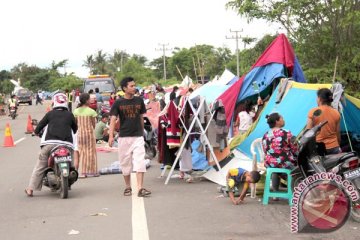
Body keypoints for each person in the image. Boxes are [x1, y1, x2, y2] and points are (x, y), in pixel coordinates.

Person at [25, 93, 77, 197]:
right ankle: (68, 183)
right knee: (71, 165)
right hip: (66, 145)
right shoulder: (70, 115)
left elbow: (40, 126)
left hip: (49, 144)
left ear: (54, 102)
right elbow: (75, 129)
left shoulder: (50, 114)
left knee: (40, 166)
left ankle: (30, 189)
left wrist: (35, 132)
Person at [108, 77, 151, 197]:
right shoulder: (118, 103)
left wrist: (142, 132)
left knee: (140, 162)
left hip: (138, 136)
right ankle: (128, 187)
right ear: (124, 88)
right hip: (124, 137)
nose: (134, 88)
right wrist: (111, 136)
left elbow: (141, 118)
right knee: (125, 163)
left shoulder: (139, 101)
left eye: (134, 85)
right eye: (131, 86)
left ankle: (140, 188)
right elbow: (112, 120)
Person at [262, 113, 298, 194]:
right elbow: (295, 149)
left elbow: (265, 150)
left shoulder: (266, 135)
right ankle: (295, 192)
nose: (284, 120)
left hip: (270, 163)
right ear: (277, 121)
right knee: (298, 167)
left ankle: (275, 193)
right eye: (282, 118)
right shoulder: (286, 133)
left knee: (275, 170)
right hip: (285, 163)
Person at [306, 88, 341, 155]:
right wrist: (337, 145)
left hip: (319, 148)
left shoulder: (313, 112)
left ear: (319, 98)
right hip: (334, 147)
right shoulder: (336, 113)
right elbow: (338, 133)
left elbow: (308, 132)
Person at [73, 93, 98, 178]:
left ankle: (83, 172)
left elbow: (75, 124)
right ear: (87, 100)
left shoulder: (76, 111)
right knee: (91, 153)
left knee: (81, 152)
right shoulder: (91, 111)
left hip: (80, 134)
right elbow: (94, 124)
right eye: (89, 99)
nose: (91, 100)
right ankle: (92, 172)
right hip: (89, 134)